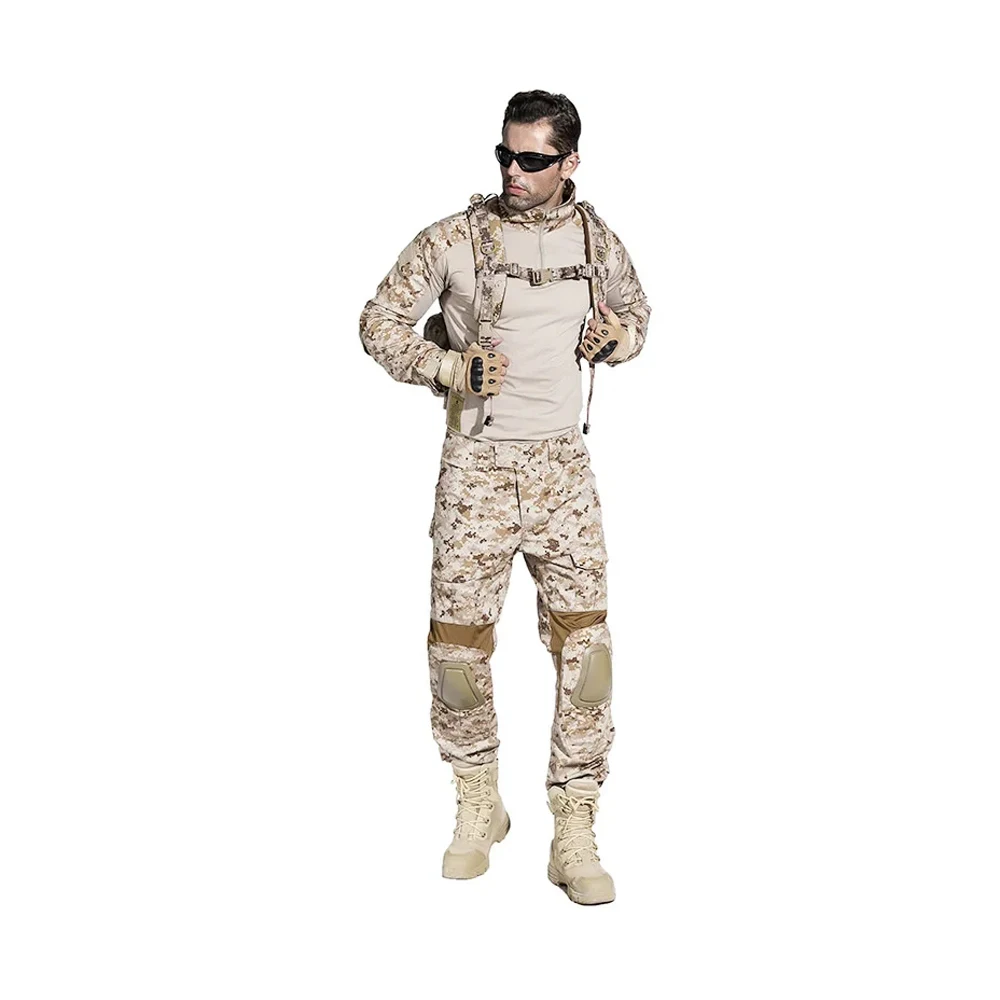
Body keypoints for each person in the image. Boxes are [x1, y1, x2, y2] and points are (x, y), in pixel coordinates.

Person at [358, 90, 651, 905]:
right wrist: (448, 368)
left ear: (569, 162)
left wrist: (618, 338)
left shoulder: (595, 240)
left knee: (587, 654)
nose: (513, 172)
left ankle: (574, 824)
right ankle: (478, 801)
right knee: (457, 652)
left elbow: (638, 312)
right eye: (505, 155)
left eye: (532, 159)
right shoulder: (453, 239)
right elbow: (379, 322)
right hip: (477, 472)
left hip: (562, 473)